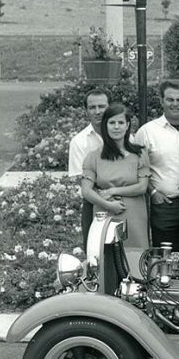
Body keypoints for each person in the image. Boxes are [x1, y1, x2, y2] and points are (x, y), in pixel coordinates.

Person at [135, 79, 179, 249]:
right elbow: (136, 168)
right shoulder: (147, 132)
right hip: (165, 206)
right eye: (170, 99)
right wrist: (152, 192)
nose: (175, 104)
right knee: (166, 259)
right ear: (161, 100)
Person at [80, 103, 149, 267]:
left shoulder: (139, 154)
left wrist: (113, 190)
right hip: (105, 214)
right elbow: (86, 191)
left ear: (127, 126)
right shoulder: (93, 157)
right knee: (106, 260)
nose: (116, 127)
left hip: (134, 215)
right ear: (105, 126)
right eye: (112, 123)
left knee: (136, 260)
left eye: (120, 123)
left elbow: (142, 187)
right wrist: (108, 205)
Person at [68, 89, 110, 246]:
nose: (98, 111)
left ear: (109, 107)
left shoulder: (125, 136)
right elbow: (82, 181)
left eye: (102, 106)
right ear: (86, 110)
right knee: (95, 253)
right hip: (93, 205)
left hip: (124, 203)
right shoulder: (79, 141)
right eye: (92, 107)